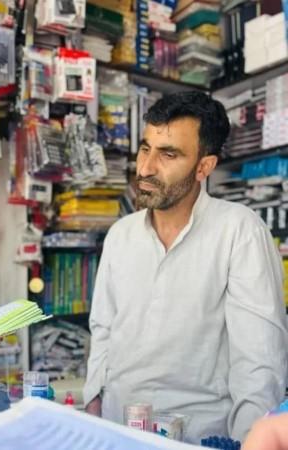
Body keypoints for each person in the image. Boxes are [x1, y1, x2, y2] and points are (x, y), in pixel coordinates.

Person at [82, 91, 288, 444]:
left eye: (168, 154)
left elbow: (258, 362)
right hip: (117, 432)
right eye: (145, 148)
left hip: (198, 437)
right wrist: (93, 408)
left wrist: (252, 442)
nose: (145, 168)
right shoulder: (120, 235)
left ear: (204, 167)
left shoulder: (239, 231)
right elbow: (103, 331)